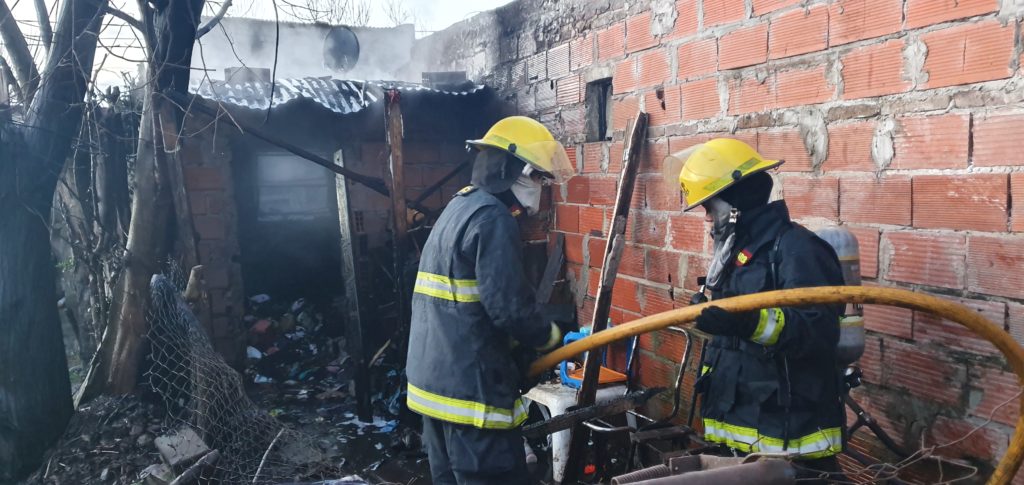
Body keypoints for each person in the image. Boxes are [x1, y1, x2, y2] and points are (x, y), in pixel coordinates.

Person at [662, 138, 847, 479]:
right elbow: (736, 337)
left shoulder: (797, 250)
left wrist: (746, 323)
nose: (707, 218)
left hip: (789, 444)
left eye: (709, 207)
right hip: (739, 437)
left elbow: (819, 331)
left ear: (734, 203)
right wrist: (713, 317)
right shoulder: (737, 253)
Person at [405, 116, 574, 485]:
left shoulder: (458, 207)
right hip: (471, 396)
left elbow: (471, 306)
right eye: (539, 177)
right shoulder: (494, 219)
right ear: (517, 171)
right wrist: (549, 337)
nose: (541, 187)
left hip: (433, 389)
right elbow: (508, 308)